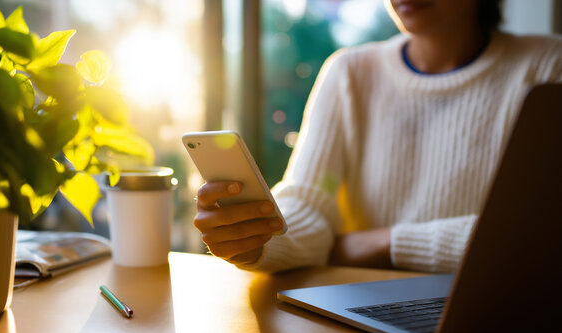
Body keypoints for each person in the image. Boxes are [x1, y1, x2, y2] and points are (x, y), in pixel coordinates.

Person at [194, 0, 562, 273]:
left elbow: (539, 233)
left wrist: (380, 244)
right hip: (365, 316)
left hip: (496, 321)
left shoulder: (548, 65)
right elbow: (309, 203)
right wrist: (258, 242)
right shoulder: (349, 73)